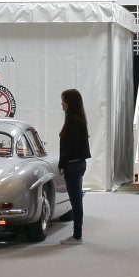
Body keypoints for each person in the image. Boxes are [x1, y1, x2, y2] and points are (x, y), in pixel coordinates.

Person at [57, 88, 91, 245]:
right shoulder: (77, 119)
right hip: (77, 164)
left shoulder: (73, 122)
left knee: (76, 202)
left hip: (73, 165)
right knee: (76, 201)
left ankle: (77, 236)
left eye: (64, 101)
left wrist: (62, 164)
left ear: (70, 102)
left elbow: (70, 148)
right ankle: (77, 235)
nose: (62, 104)